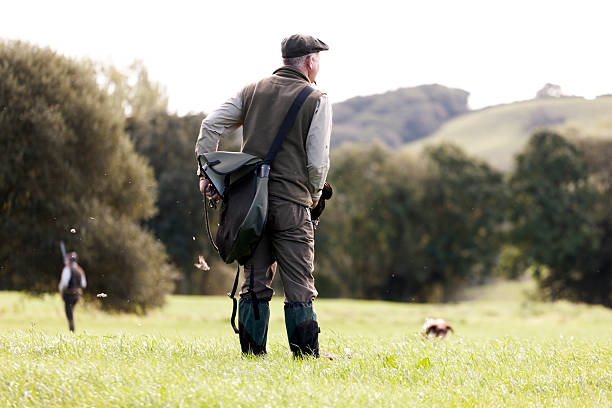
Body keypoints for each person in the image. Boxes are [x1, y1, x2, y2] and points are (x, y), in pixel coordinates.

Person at [195, 34, 332, 358]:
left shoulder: (251, 90)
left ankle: (253, 356)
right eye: (319, 59)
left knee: (254, 281)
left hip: (248, 204)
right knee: (299, 285)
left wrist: (207, 175)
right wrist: (312, 195)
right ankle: (305, 357)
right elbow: (318, 161)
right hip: (292, 203)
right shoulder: (317, 98)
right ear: (310, 61)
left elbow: (210, 125)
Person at [58, 251, 87, 332]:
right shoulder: (80, 270)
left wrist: (61, 290)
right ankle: (72, 329)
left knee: (69, 313)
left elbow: (64, 284)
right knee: (71, 311)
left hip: (68, 295)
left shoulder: (67, 269)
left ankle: (72, 330)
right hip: (77, 295)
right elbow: (84, 284)